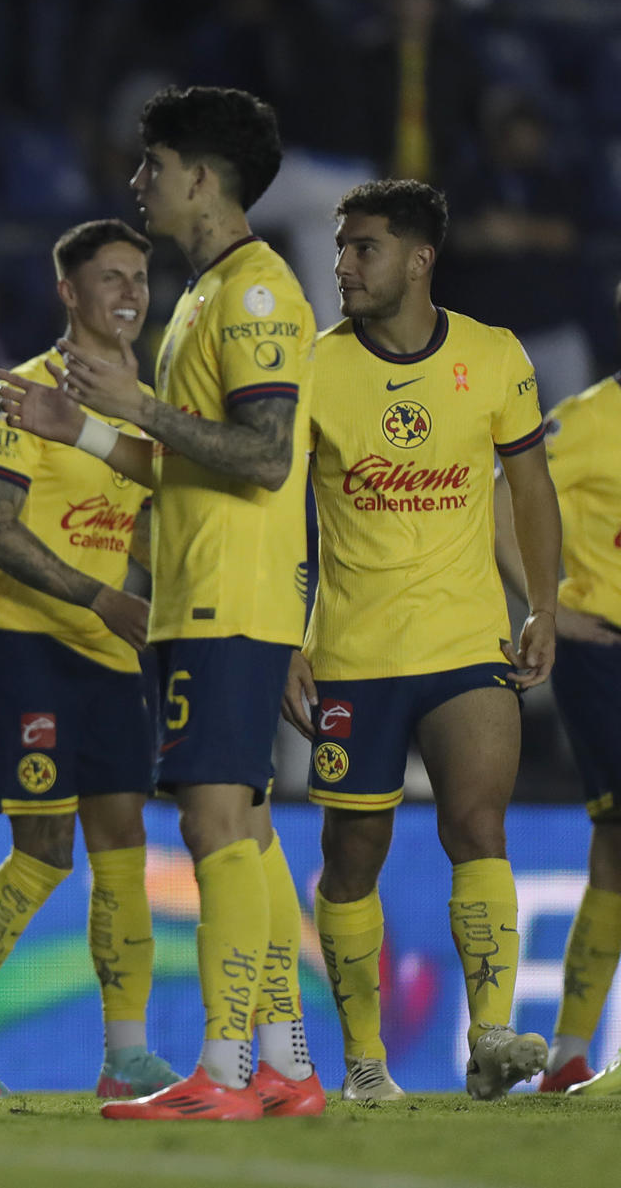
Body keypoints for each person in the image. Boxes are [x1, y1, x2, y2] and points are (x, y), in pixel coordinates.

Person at [0, 86, 320, 1119]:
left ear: (201, 177)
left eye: (151, 163)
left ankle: (226, 1073)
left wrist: (132, 403)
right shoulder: (210, 297)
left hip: (229, 593)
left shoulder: (258, 297)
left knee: (217, 826)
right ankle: (287, 1066)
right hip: (201, 593)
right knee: (248, 829)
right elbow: (183, 459)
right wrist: (78, 429)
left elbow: (266, 459)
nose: (138, 182)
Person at [281, 179, 556, 1102]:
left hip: (467, 639)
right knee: (353, 859)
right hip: (356, 651)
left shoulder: (494, 355)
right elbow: (279, 515)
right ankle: (365, 1063)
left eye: (364, 248)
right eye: (343, 247)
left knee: (478, 824)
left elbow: (530, 490)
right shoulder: (316, 369)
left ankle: (489, 1039)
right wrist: (287, 634)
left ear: (418, 258)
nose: (344, 264)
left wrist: (542, 604)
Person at [0, 219, 180, 1099]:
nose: (129, 292)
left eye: (139, 275)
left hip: (107, 652)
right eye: (109, 277)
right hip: (25, 642)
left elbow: (133, 523)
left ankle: (126, 1053)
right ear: (68, 291)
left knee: (125, 845)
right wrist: (103, 595)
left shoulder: (140, 406)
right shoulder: (21, 395)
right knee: (46, 850)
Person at [505, 283, 621, 1095]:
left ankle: (570, 1054)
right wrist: (550, 607)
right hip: (605, 651)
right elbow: (498, 501)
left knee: (614, 854)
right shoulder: (584, 422)